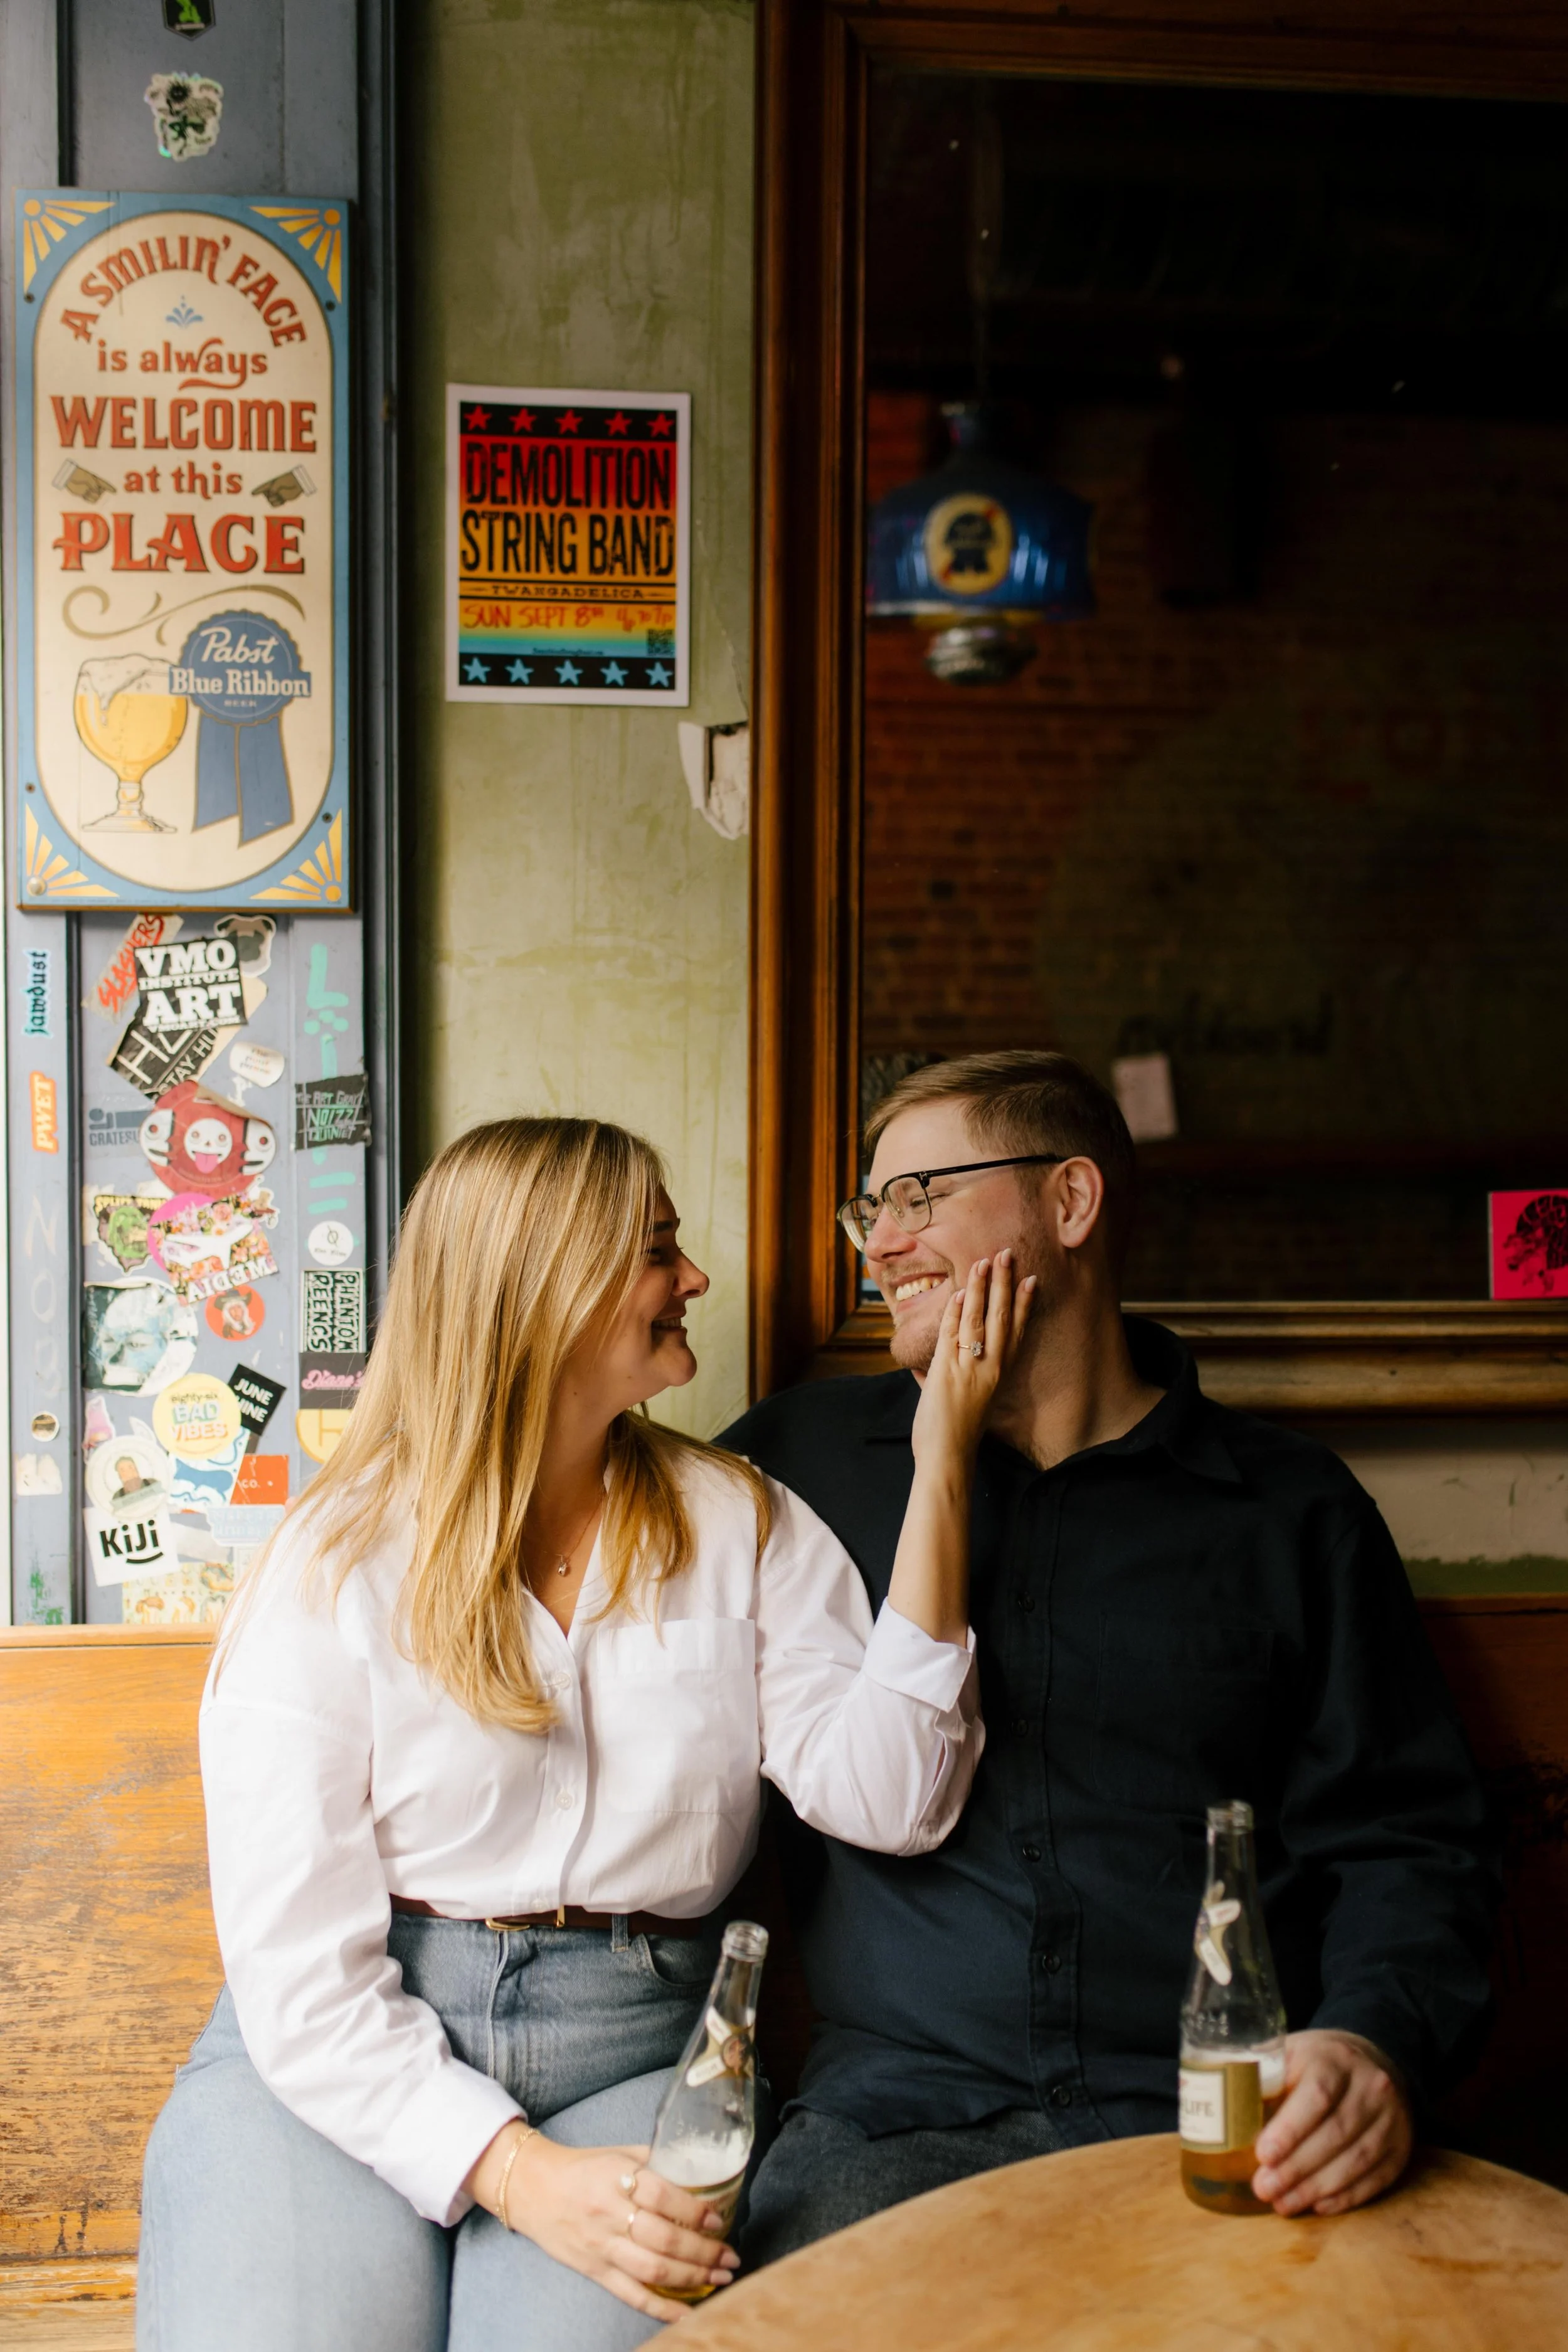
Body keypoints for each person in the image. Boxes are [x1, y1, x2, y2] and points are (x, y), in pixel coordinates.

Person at [139, 1116, 1030, 2352]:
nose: (695, 1279)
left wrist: (944, 1465)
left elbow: (896, 1798)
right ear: (545, 1288)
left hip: (636, 2060)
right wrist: (511, 2174)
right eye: (657, 1249)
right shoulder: (331, 1561)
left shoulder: (739, 1522)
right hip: (341, 2051)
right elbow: (299, 1981)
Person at [724, 1049, 1499, 2263]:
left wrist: (1371, 2044)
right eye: (871, 1210)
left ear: (1071, 1202)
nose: (881, 1244)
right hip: (893, 2132)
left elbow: (1408, 1845)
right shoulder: (791, 1470)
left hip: (1222, 2122)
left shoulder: (1289, 1513)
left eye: (920, 1197)